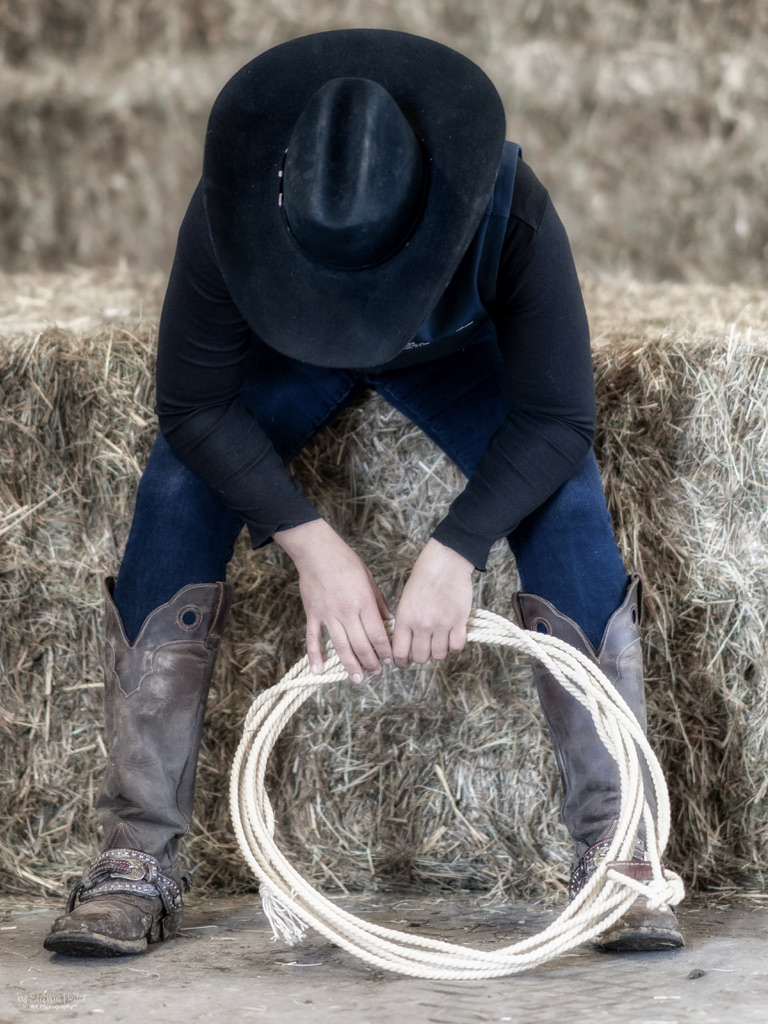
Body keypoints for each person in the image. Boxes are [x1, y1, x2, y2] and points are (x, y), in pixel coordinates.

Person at [44, 28, 682, 957]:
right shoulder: (227, 209)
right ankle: (135, 854)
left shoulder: (510, 207)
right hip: (285, 358)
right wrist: (309, 540)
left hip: (451, 359)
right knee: (178, 485)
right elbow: (192, 406)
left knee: (566, 498)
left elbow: (557, 420)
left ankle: (618, 852)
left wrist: (457, 546)